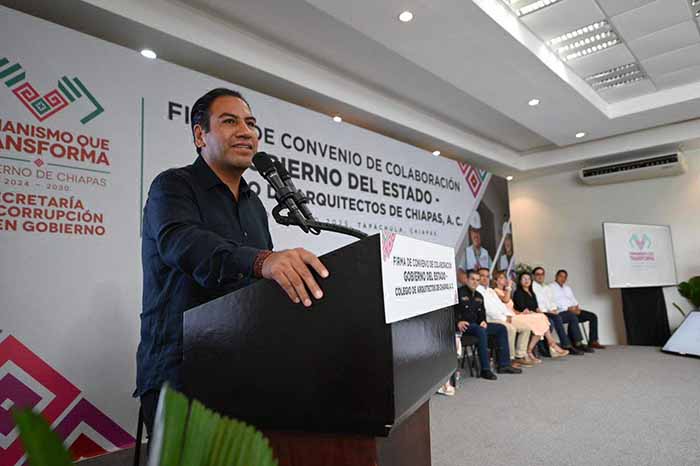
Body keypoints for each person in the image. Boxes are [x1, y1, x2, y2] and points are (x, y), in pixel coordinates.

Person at [135, 88, 329, 436]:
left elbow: (259, 286)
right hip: (181, 370)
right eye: (229, 121)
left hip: (245, 368)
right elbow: (185, 244)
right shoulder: (173, 186)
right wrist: (263, 261)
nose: (245, 131)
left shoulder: (255, 206)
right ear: (200, 135)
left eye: (251, 124)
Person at [454, 269, 522, 380]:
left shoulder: (479, 295)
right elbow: (451, 312)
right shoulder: (458, 293)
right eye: (472, 279)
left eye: (477, 280)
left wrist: (483, 321)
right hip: (464, 326)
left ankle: (504, 365)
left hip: (477, 326)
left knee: (501, 328)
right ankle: (485, 369)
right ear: (466, 279)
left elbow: (482, 313)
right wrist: (458, 322)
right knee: (480, 331)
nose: (475, 282)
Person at [476, 268, 532, 367]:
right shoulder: (477, 291)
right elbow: (488, 310)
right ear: (477, 277)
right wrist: (504, 318)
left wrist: (508, 315)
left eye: (487, 276)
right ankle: (510, 358)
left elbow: (501, 305)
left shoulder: (490, 290)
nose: (485, 278)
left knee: (526, 328)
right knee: (510, 329)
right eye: (482, 276)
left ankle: (520, 355)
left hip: (503, 316)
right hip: (491, 319)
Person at [511, 272, 570, 362]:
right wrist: (534, 313)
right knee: (541, 321)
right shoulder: (518, 293)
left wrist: (540, 312)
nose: (527, 281)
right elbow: (522, 308)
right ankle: (551, 345)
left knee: (542, 319)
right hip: (523, 316)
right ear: (520, 281)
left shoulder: (531, 292)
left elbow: (536, 307)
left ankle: (532, 350)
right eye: (524, 279)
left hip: (533, 316)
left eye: (528, 279)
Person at [549, 270, 606, 351]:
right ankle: (578, 343)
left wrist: (577, 308)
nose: (562, 278)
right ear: (556, 276)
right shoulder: (550, 287)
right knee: (572, 316)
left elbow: (573, 300)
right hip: (561, 312)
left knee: (592, 316)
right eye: (560, 276)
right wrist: (568, 308)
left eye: (565, 277)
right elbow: (553, 302)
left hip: (573, 310)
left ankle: (593, 341)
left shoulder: (567, 288)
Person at [532, 267, 584, 355]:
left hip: (551, 312)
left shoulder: (546, 287)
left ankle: (577, 343)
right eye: (538, 274)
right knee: (556, 318)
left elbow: (551, 300)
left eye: (542, 274)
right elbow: (535, 303)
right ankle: (566, 345)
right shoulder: (532, 287)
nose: (540, 276)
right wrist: (548, 311)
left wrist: (553, 309)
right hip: (541, 312)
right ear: (533, 276)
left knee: (571, 316)